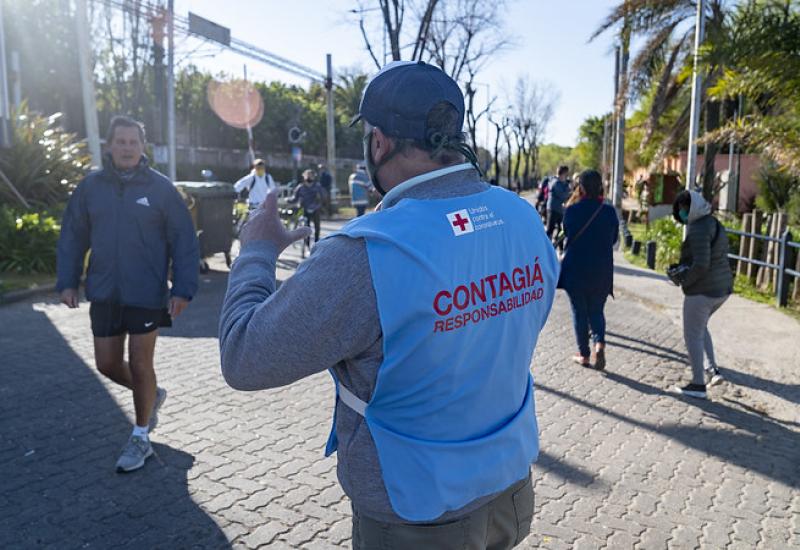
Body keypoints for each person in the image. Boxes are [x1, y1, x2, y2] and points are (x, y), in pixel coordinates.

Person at [219, 60, 559, 549]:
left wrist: (256, 250)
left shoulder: (366, 253)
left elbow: (244, 357)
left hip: (415, 513)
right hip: (509, 488)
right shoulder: (522, 219)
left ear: (378, 142)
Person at [56, 116, 199, 473]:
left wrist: (183, 289)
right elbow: (73, 236)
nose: (126, 148)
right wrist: (68, 281)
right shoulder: (90, 188)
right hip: (104, 290)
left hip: (146, 292)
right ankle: (151, 394)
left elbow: (183, 239)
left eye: (133, 142)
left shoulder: (161, 189)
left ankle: (140, 436)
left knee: (140, 362)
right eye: (120, 142)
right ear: (109, 146)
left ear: (143, 146)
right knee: (106, 363)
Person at [670, 189, 732, 399]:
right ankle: (712, 370)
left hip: (702, 291)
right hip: (721, 289)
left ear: (692, 208)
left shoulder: (697, 229)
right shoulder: (714, 223)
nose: (682, 215)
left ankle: (697, 384)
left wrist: (684, 280)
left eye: (683, 210)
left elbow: (701, 265)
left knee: (692, 335)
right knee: (701, 327)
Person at [557, 170, 619, 369]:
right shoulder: (609, 212)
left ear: (580, 188)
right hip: (601, 270)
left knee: (579, 312)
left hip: (576, 270)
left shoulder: (572, 211)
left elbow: (566, 233)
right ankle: (599, 343)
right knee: (597, 311)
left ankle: (584, 354)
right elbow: (614, 240)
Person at [289, 168, 325, 243]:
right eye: (307, 175)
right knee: (306, 227)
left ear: (314, 177)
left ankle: (317, 242)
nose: (309, 177)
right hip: (304, 208)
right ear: (304, 177)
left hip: (315, 208)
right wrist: (288, 200)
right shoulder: (300, 187)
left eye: (311, 176)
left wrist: (320, 204)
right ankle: (307, 244)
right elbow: (295, 198)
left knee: (317, 226)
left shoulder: (318, 186)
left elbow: (323, 197)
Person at [546, 166, 571, 246]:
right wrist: (569, 189)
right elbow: (563, 195)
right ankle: (546, 247)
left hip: (560, 210)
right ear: (562, 174)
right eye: (566, 174)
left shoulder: (562, 183)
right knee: (550, 229)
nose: (567, 176)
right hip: (553, 209)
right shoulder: (555, 182)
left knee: (561, 230)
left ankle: (559, 247)